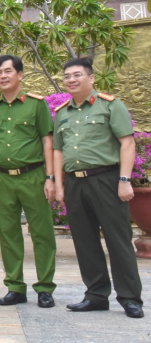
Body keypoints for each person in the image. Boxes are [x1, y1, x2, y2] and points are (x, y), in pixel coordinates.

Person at [53, 58, 144, 318]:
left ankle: (130, 298)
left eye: (77, 75)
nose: (71, 80)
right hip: (74, 182)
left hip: (106, 179)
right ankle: (95, 295)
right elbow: (58, 151)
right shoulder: (62, 113)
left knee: (118, 240)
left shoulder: (110, 105)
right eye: (67, 76)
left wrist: (124, 180)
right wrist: (59, 185)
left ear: (91, 78)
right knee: (85, 241)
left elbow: (127, 143)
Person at [0, 55, 56, 308]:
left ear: (20, 74)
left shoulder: (36, 104)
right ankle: (15, 287)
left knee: (42, 232)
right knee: (8, 234)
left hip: (33, 176)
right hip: (2, 179)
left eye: (8, 71)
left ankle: (45, 288)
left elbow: (47, 141)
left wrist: (50, 177)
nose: (3, 76)